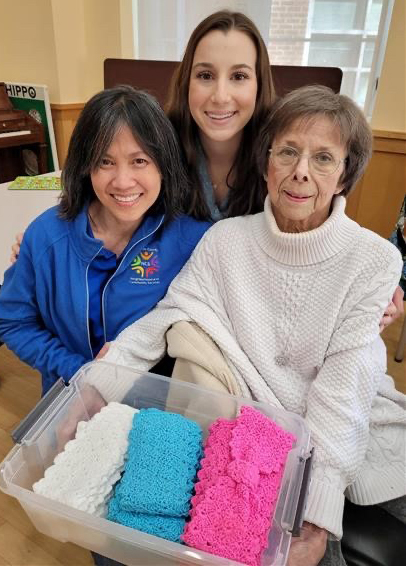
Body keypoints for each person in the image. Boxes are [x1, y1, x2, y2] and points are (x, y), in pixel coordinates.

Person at [92, 85, 406, 565]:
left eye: (324, 159)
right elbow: (170, 314)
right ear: (266, 164)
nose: (301, 171)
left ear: (344, 176)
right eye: (288, 152)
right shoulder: (226, 241)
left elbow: (345, 390)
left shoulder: (373, 261)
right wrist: (99, 380)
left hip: (347, 432)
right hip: (254, 442)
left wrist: (318, 509)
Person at [9, 10, 403, 325]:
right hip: (161, 315)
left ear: (258, 85)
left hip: (252, 321)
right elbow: (105, 189)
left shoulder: (282, 157)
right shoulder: (157, 145)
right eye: (205, 75)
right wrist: (51, 235)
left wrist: (371, 284)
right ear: (186, 82)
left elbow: (318, 238)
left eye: (238, 77)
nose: (220, 95)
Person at [0, 86, 210, 395]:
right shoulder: (45, 236)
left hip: (154, 408)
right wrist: (80, 371)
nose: (123, 182)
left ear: (164, 166)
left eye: (139, 161)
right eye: (105, 162)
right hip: (68, 396)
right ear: (86, 167)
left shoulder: (192, 238)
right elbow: (13, 321)